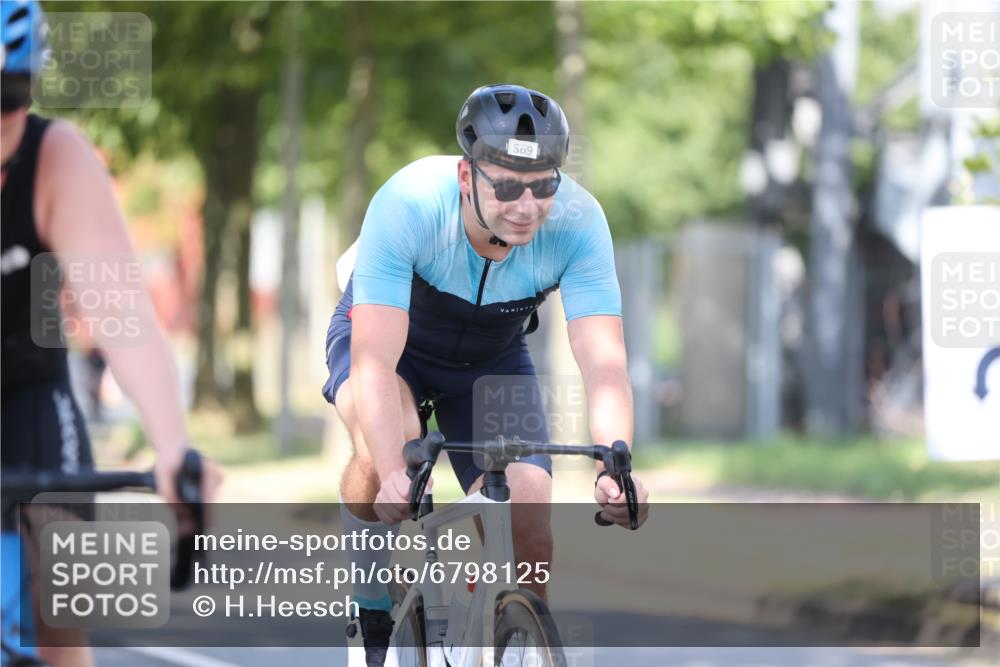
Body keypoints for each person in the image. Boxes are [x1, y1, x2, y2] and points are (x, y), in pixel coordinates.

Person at [323, 83, 650, 666]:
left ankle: (504, 640)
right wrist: (397, 472)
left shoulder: (579, 222)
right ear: (466, 176)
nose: (526, 206)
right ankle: (369, 601)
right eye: (505, 185)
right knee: (383, 449)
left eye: (543, 185)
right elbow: (373, 361)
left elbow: (603, 359)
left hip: (489, 360)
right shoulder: (409, 202)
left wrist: (615, 462)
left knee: (528, 511)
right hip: (392, 347)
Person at [0, 3, 222, 665]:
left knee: (61, 573)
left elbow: (122, 313)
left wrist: (172, 446)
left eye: (9, 99)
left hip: (25, 392)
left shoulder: (54, 157)